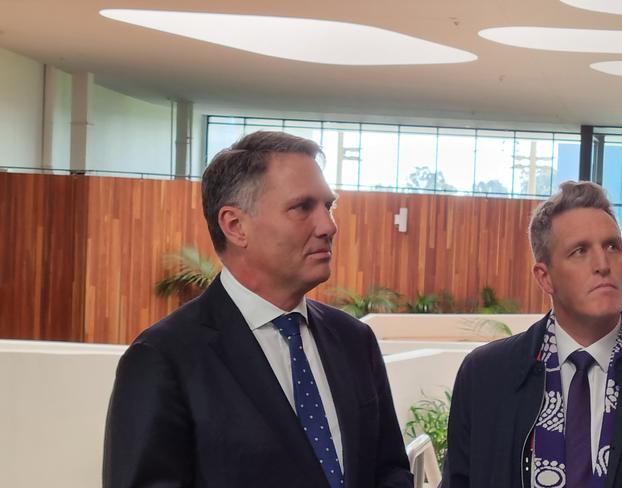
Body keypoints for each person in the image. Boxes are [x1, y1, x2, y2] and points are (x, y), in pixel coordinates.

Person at [103, 131, 412, 488]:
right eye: (302, 208)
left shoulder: (354, 340)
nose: (328, 226)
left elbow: (388, 469)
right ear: (235, 226)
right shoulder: (165, 357)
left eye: (328, 206)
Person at [441, 181, 622, 488]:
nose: (603, 264)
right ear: (545, 277)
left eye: (612, 247)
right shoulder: (486, 375)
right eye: (580, 251)